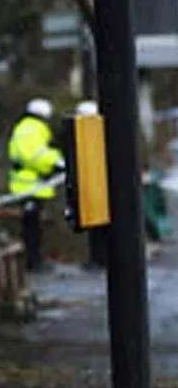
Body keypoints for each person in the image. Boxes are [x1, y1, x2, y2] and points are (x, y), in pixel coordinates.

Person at [7, 98, 65, 271]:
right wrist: (56, 162)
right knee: (32, 227)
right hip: (30, 185)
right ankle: (34, 262)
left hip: (29, 184)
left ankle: (35, 260)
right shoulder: (32, 129)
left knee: (33, 226)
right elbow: (34, 155)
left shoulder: (26, 127)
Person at [75, 100, 108, 270]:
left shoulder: (85, 131)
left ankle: (98, 259)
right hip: (98, 187)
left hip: (92, 187)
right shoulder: (103, 129)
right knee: (98, 226)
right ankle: (101, 258)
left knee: (95, 227)